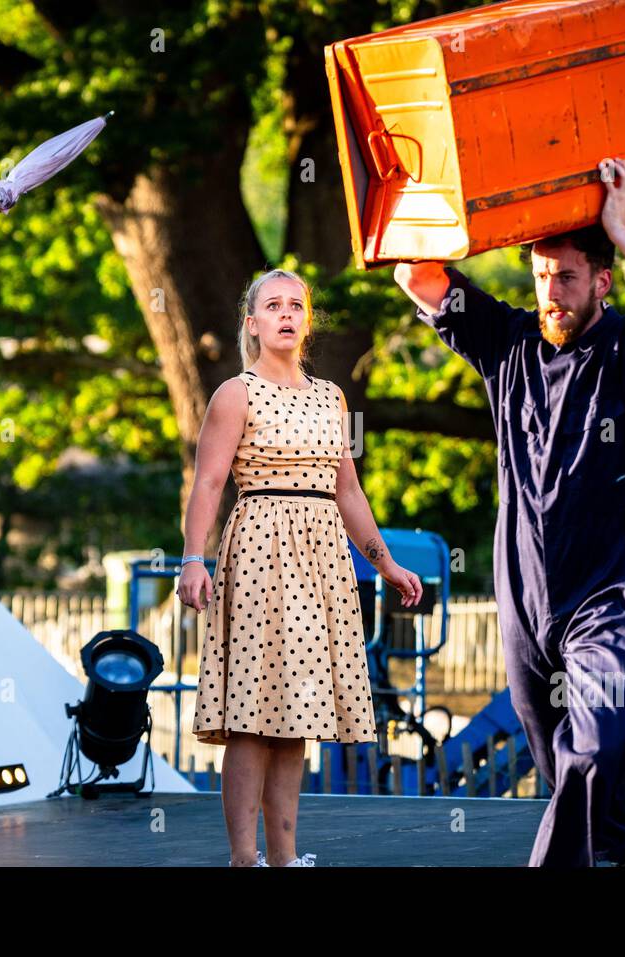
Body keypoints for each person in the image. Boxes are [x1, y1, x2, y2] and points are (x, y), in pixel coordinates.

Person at [394, 158, 625, 868]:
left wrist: (619, 228)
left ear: (602, 281)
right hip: (527, 608)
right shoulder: (506, 342)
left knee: (588, 752)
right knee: (573, 772)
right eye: (540, 275)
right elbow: (415, 273)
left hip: (617, 598)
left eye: (566, 277)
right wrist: (471, 194)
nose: (550, 292)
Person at [180, 268, 423, 867]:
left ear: (305, 321)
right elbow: (208, 481)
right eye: (273, 305)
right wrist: (192, 557)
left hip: (323, 559)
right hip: (261, 548)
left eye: (296, 305)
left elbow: (350, 494)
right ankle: (245, 858)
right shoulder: (235, 393)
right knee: (252, 718)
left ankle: (284, 858)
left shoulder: (331, 396)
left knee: (298, 714)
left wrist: (386, 563)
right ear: (253, 323)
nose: (286, 314)